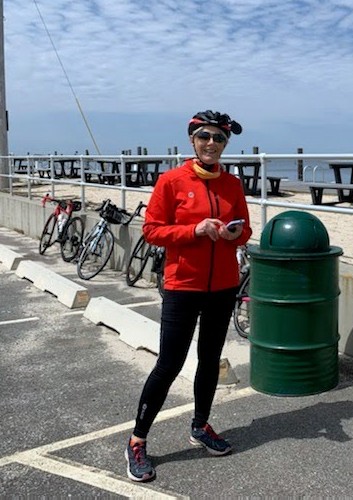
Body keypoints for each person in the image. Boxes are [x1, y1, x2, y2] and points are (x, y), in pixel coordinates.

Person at [125, 110, 252, 482]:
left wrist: (234, 236)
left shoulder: (232, 185)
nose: (212, 143)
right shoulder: (172, 181)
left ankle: (200, 426)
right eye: (204, 137)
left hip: (223, 285)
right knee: (169, 364)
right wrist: (194, 230)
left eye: (219, 138)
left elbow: (244, 231)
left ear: (226, 143)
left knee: (210, 359)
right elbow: (152, 231)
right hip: (183, 286)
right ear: (192, 140)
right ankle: (137, 440)